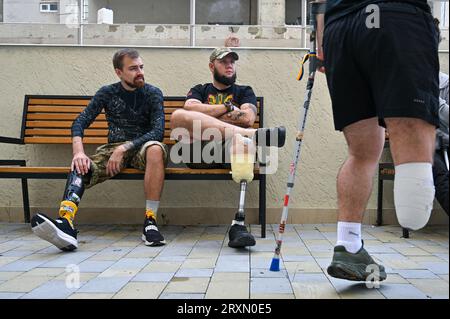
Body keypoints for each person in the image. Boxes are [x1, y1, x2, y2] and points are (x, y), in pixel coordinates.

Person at [316, 0, 440, 281]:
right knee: (412, 126)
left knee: (361, 151)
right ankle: (411, 217)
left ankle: (348, 245)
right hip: (395, 14)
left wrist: (321, 40)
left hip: (339, 31)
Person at [31, 48, 168, 250]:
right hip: (112, 151)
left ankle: (150, 222)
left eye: (141, 67)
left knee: (156, 149)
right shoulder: (108, 92)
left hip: (143, 148)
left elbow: (158, 131)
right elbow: (80, 122)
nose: (139, 72)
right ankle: (66, 223)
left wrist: (124, 147)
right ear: (118, 72)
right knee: (80, 163)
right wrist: (78, 152)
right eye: (133, 68)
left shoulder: (153, 93)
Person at [170, 47, 286, 248]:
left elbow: (248, 118)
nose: (229, 65)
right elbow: (188, 110)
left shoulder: (244, 91)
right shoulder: (200, 89)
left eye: (232, 61)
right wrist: (228, 108)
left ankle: (239, 224)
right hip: (197, 152)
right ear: (211, 65)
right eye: (224, 61)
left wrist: (205, 117)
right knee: (177, 116)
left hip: (228, 150)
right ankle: (255, 137)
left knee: (244, 142)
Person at [432, 18, 449, 216]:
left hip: (446, 140)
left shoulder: (445, 83)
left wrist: (433, 99)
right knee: (440, 174)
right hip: (425, 146)